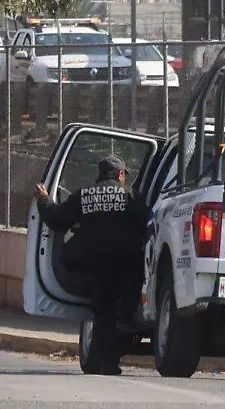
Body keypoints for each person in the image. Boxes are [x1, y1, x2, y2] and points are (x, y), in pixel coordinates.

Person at [34, 155, 150, 376]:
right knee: (113, 311)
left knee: (104, 310)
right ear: (120, 175)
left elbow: (57, 219)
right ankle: (104, 363)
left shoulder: (83, 195)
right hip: (126, 265)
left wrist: (43, 200)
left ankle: (98, 361)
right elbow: (148, 222)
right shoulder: (131, 195)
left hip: (94, 265)